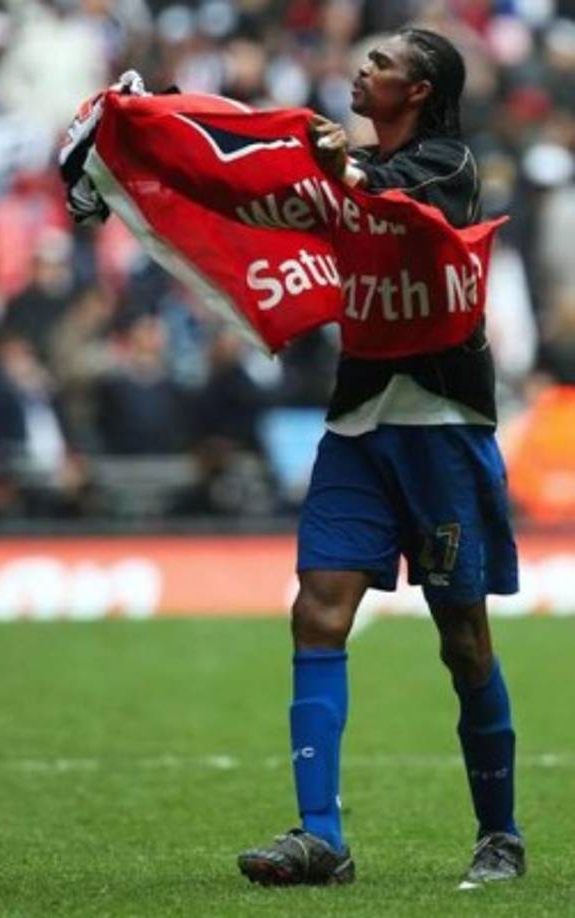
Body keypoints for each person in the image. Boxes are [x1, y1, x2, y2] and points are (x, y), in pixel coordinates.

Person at [237, 27, 525, 889]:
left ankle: (499, 836)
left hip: (440, 430)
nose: (362, 71)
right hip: (358, 425)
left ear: (422, 90)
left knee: (462, 642)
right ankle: (320, 838)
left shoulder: (450, 167)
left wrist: (345, 172)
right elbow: (268, 193)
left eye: (381, 64)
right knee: (317, 612)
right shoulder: (347, 173)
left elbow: (393, 195)